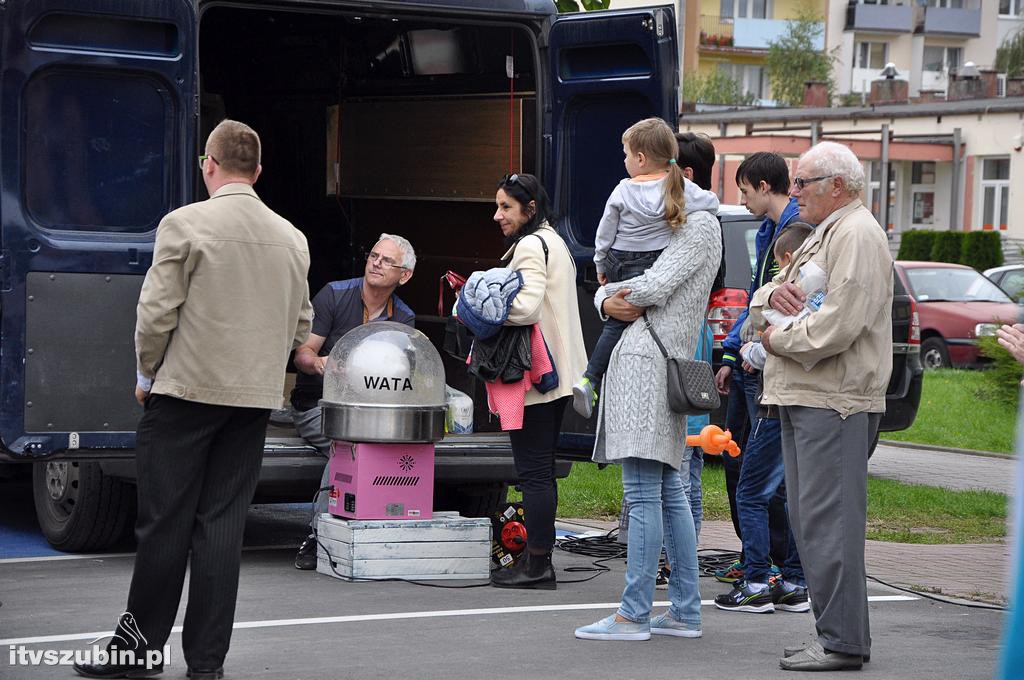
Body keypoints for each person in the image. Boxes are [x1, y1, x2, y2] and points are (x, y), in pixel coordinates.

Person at [74, 120, 312, 680]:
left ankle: (138, 650)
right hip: (251, 401)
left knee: (165, 524)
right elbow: (300, 326)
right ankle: (206, 663)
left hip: (186, 392)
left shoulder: (184, 224)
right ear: (258, 171)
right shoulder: (292, 238)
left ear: (209, 164)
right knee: (222, 528)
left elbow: (156, 312)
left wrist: (146, 372)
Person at [750, 141, 893, 671]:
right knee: (812, 522)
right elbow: (770, 295)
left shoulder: (855, 233)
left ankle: (841, 643)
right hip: (808, 394)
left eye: (802, 182)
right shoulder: (825, 232)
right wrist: (770, 302)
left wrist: (774, 339)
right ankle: (836, 635)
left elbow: (838, 324)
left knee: (829, 525)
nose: (794, 192)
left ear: (837, 185)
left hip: (834, 401)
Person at [574, 128, 721, 641]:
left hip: (645, 364)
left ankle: (633, 614)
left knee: (643, 494)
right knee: (669, 492)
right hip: (661, 361)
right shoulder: (694, 223)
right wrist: (609, 298)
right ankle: (684, 610)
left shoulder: (698, 227)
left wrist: (602, 296)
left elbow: (651, 288)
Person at [291, 234, 416, 570]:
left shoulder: (403, 318)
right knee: (346, 444)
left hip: (369, 412)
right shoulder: (334, 294)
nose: (376, 263)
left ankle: (382, 534)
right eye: (373, 256)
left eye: (387, 260)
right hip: (317, 406)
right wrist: (319, 364)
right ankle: (319, 535)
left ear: (404, 275)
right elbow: (302, 354)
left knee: (380, 443)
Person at [487, 172, 587, 590]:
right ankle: (538, 559)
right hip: (559, 375)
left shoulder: (530, 245)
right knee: (541, 471)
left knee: (533, 474)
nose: (498, 215)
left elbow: (525, 308)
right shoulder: (554, 241)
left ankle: (537, 565)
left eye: (506, 207)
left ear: (530, 209)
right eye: (497, 206)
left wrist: (479, 309)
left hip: (537, 377)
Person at [715, 221, 813, 615]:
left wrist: (753, 351)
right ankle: (794, 582)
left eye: (775, 267)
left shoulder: (792, 292)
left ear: (787, 259)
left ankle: (756, 582)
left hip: (778, 402)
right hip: (806, 404)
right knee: (793, 496)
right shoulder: (822, 292)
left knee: (751, 492)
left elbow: (770, 337)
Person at [713, 152, 800, 585]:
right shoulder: (767, 230)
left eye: (745, 190)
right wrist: (732, 354)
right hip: (747, 363)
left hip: (768, 369)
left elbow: (788, 306)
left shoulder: (798, 230)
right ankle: (754, 556)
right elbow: (754, 300)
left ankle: (777, 568)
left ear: (765, 186)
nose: (742, 200)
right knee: (737, 462)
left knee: (765, 480)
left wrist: (756, 352)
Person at [571, 118, 689, 419]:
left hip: (619, 261)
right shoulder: (679, 187)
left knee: (616, 323)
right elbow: (710, 203)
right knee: (637, 317)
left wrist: (600, 263)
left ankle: (591, 378)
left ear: (640, 158)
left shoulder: (623, 190)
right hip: (651, 262)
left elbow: (604, 233)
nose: (624, 161)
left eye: (625, 155)